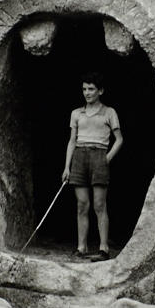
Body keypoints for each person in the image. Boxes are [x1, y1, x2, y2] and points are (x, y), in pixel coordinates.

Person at [62, 72, 123, 262]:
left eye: (91, 89)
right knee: (82, 204)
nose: (87, 93)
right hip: (79, 156)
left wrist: (107, 159)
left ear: (100, 91)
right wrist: (67, 167)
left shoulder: (109, 112)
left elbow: (119, 140)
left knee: (99, 204)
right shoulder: (76, 113)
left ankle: (103, 247)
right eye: (84, 89)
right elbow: (72, 141)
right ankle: (82, 246)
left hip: (99, 154)